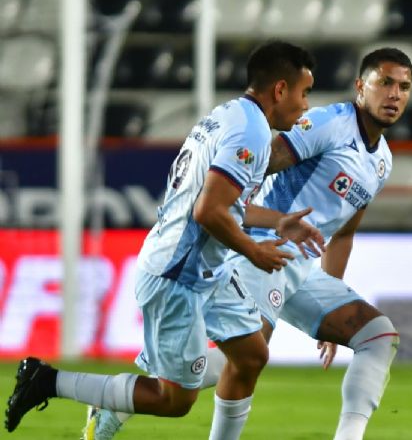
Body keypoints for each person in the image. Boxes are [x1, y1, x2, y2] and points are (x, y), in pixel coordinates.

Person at [83, 47, 412, 440]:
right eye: (385, 83)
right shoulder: (329, 123)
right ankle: (120, 399)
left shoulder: (383, 161)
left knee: (378, 336)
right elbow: (265, 159)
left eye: (404, 87)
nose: (394, 94)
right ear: (361, 87)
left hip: (301, 269)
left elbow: (342, 233)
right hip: (265, 251)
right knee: (244, 359)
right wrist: (238, 214)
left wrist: (329, 310)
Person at [5, 40, 324, 440]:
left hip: (205, 268)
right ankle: (47, 380)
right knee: (173, 400)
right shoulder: (252, 133)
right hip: (177, 275)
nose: (306, 104)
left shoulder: (229, 115)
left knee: (251, 355)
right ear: (280, 89)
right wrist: (253, 250)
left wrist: (278, 223)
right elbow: (207, 212)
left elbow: (224, 204)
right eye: (304, 92)